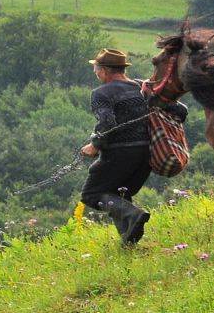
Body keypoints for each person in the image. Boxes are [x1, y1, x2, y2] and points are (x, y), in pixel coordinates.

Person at [80, 48, 187, 246]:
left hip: (119, 154)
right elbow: (180, 110)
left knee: (92, 194)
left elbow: (107, 123)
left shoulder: (101, 93)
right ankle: (129, 244)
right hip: (147, 154)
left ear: (104, 71)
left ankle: (135, 215)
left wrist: (94, 145)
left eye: (96, 69)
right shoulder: (141, 86)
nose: (95, 73)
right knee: (120, 195)